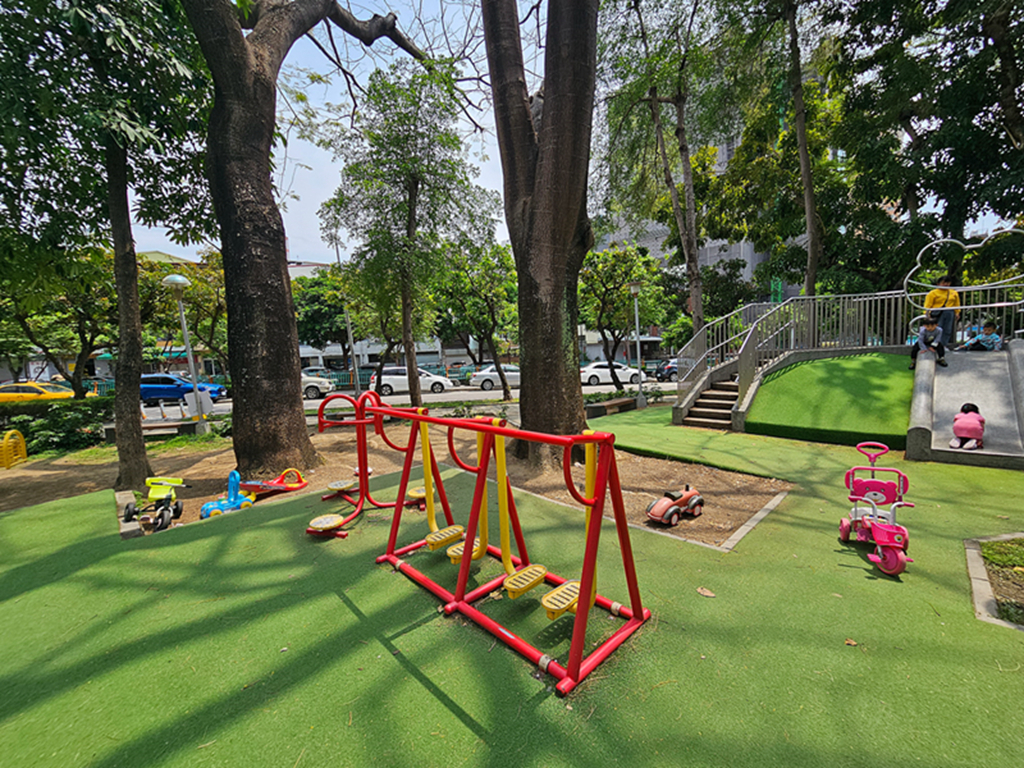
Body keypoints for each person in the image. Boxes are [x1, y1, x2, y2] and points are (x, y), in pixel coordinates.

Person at [924, 275, 960, 346]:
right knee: (937, 329)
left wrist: (957, 312)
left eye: (948, 283)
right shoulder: (933, 293)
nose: (946, 285)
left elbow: (956, 303)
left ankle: (943, 345)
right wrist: (927, 314)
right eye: (943, 283)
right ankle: (935, 344)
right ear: (938, 284)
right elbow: (928, 304)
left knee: (947, 330)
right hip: (937, 313)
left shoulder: (953, 292)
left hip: (950, 312)